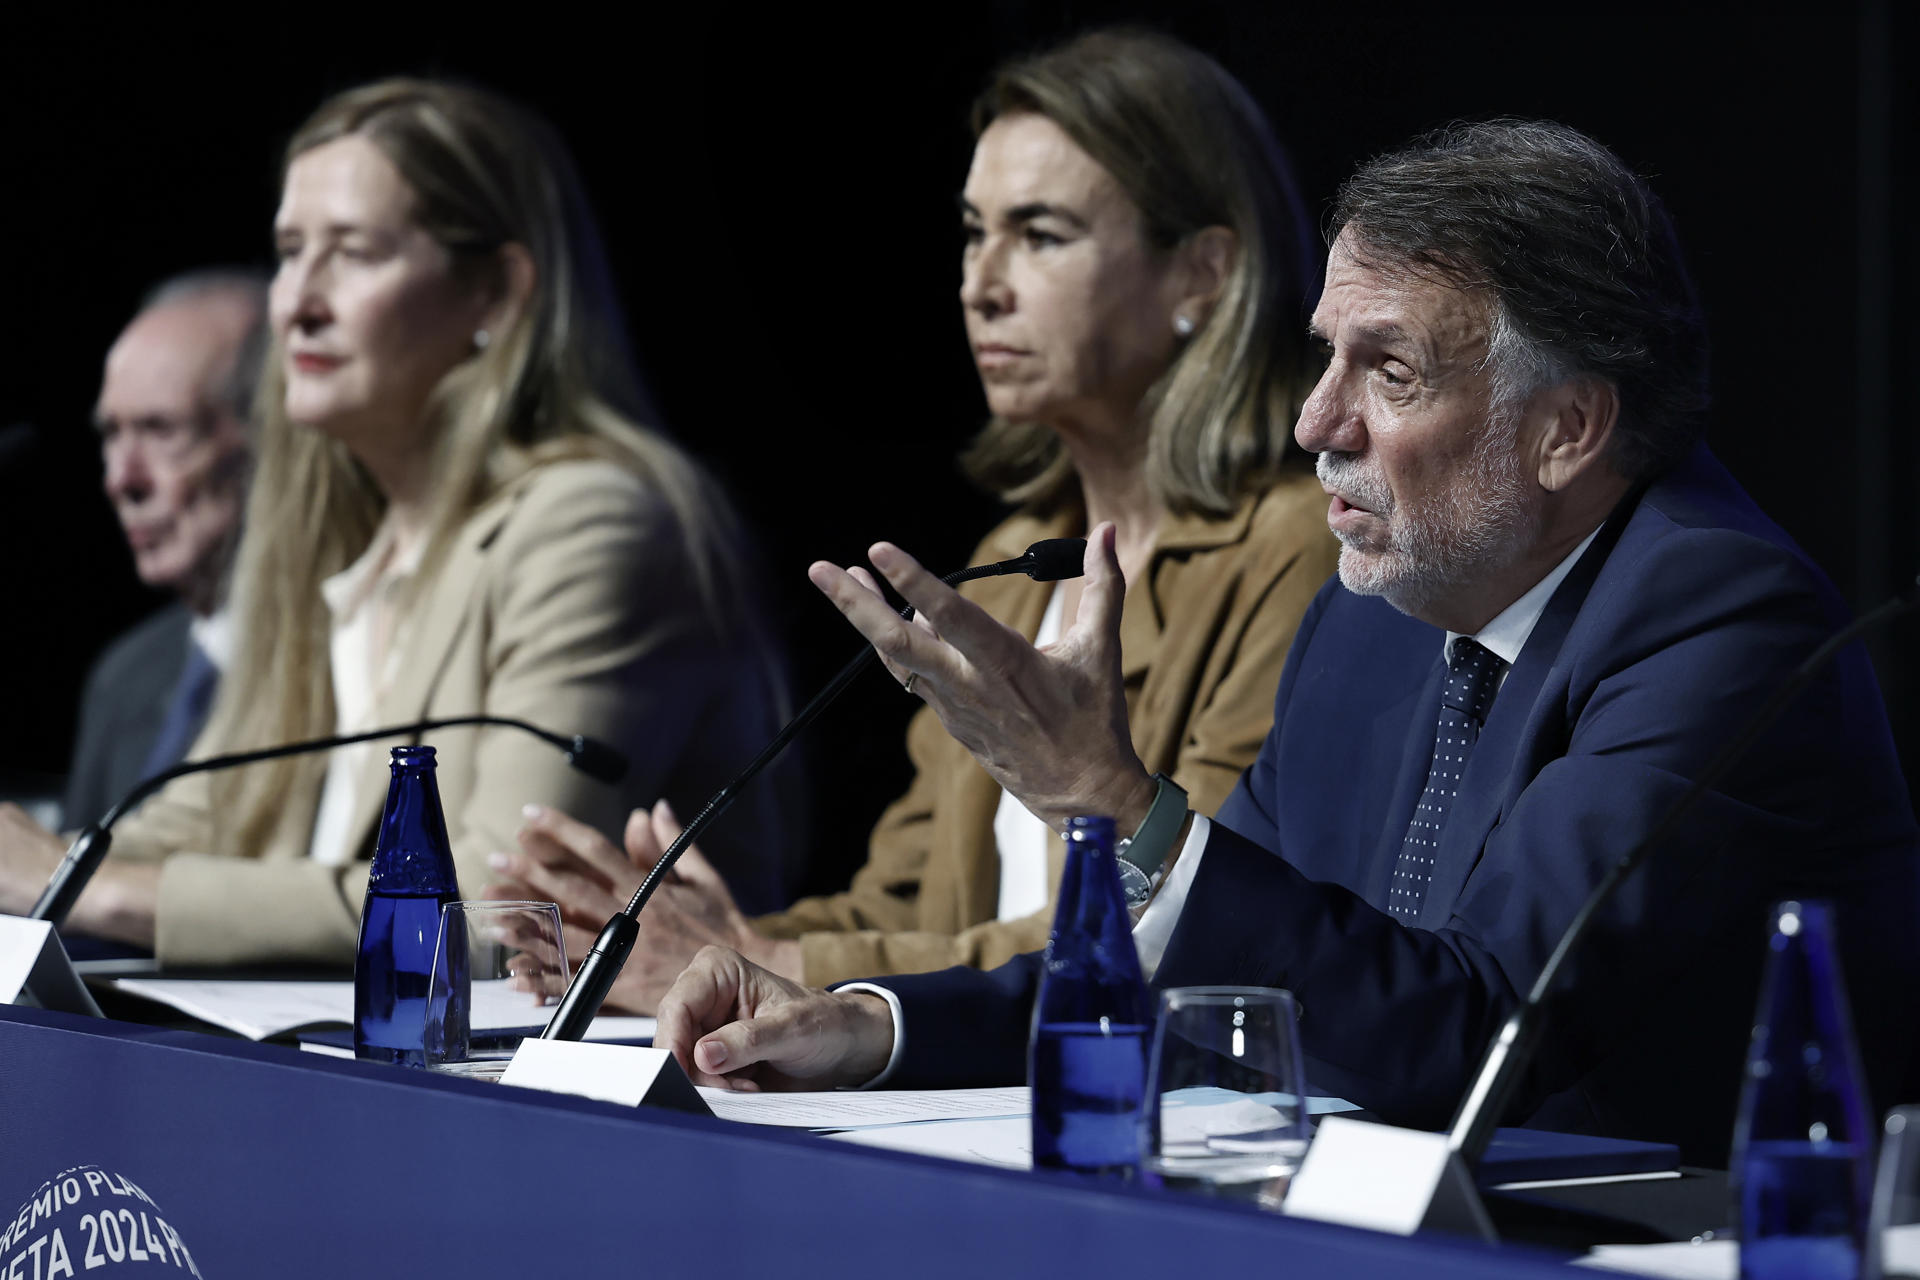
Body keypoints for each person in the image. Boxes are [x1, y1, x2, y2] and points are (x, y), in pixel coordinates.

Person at [654, 120, 1920, 1164]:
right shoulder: (1367, 619)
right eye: (1326, 358)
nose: (1318, 421)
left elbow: (1473, 1036)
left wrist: (1110, 797)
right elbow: (1212, 971)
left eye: (1392, 372)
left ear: (1569, 428)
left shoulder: (1718, 618)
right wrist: (867, 1029)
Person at [489, 30, 1338, 1010]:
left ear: (1203, 273)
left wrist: (777, 967)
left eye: (1042, 234)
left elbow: (1172, 916)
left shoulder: (1294, 547)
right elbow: (906, 899)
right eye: (976, 231)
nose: (981, 282)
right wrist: (708, 939)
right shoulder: (1008, 564)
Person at [0, 79, 794, 964]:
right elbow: (211, 817)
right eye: (290, 251)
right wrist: (40, 862)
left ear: (494, 294)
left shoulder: (598, 523)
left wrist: (84, 885)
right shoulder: (333, 538)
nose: (297, 300)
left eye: (353, 253)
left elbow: (505, 911)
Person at [61, 271, 267, 829]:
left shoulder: (344, 663)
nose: (121, 479)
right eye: (110, 434)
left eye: (160, 430)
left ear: (270, 439)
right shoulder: (126, 676)